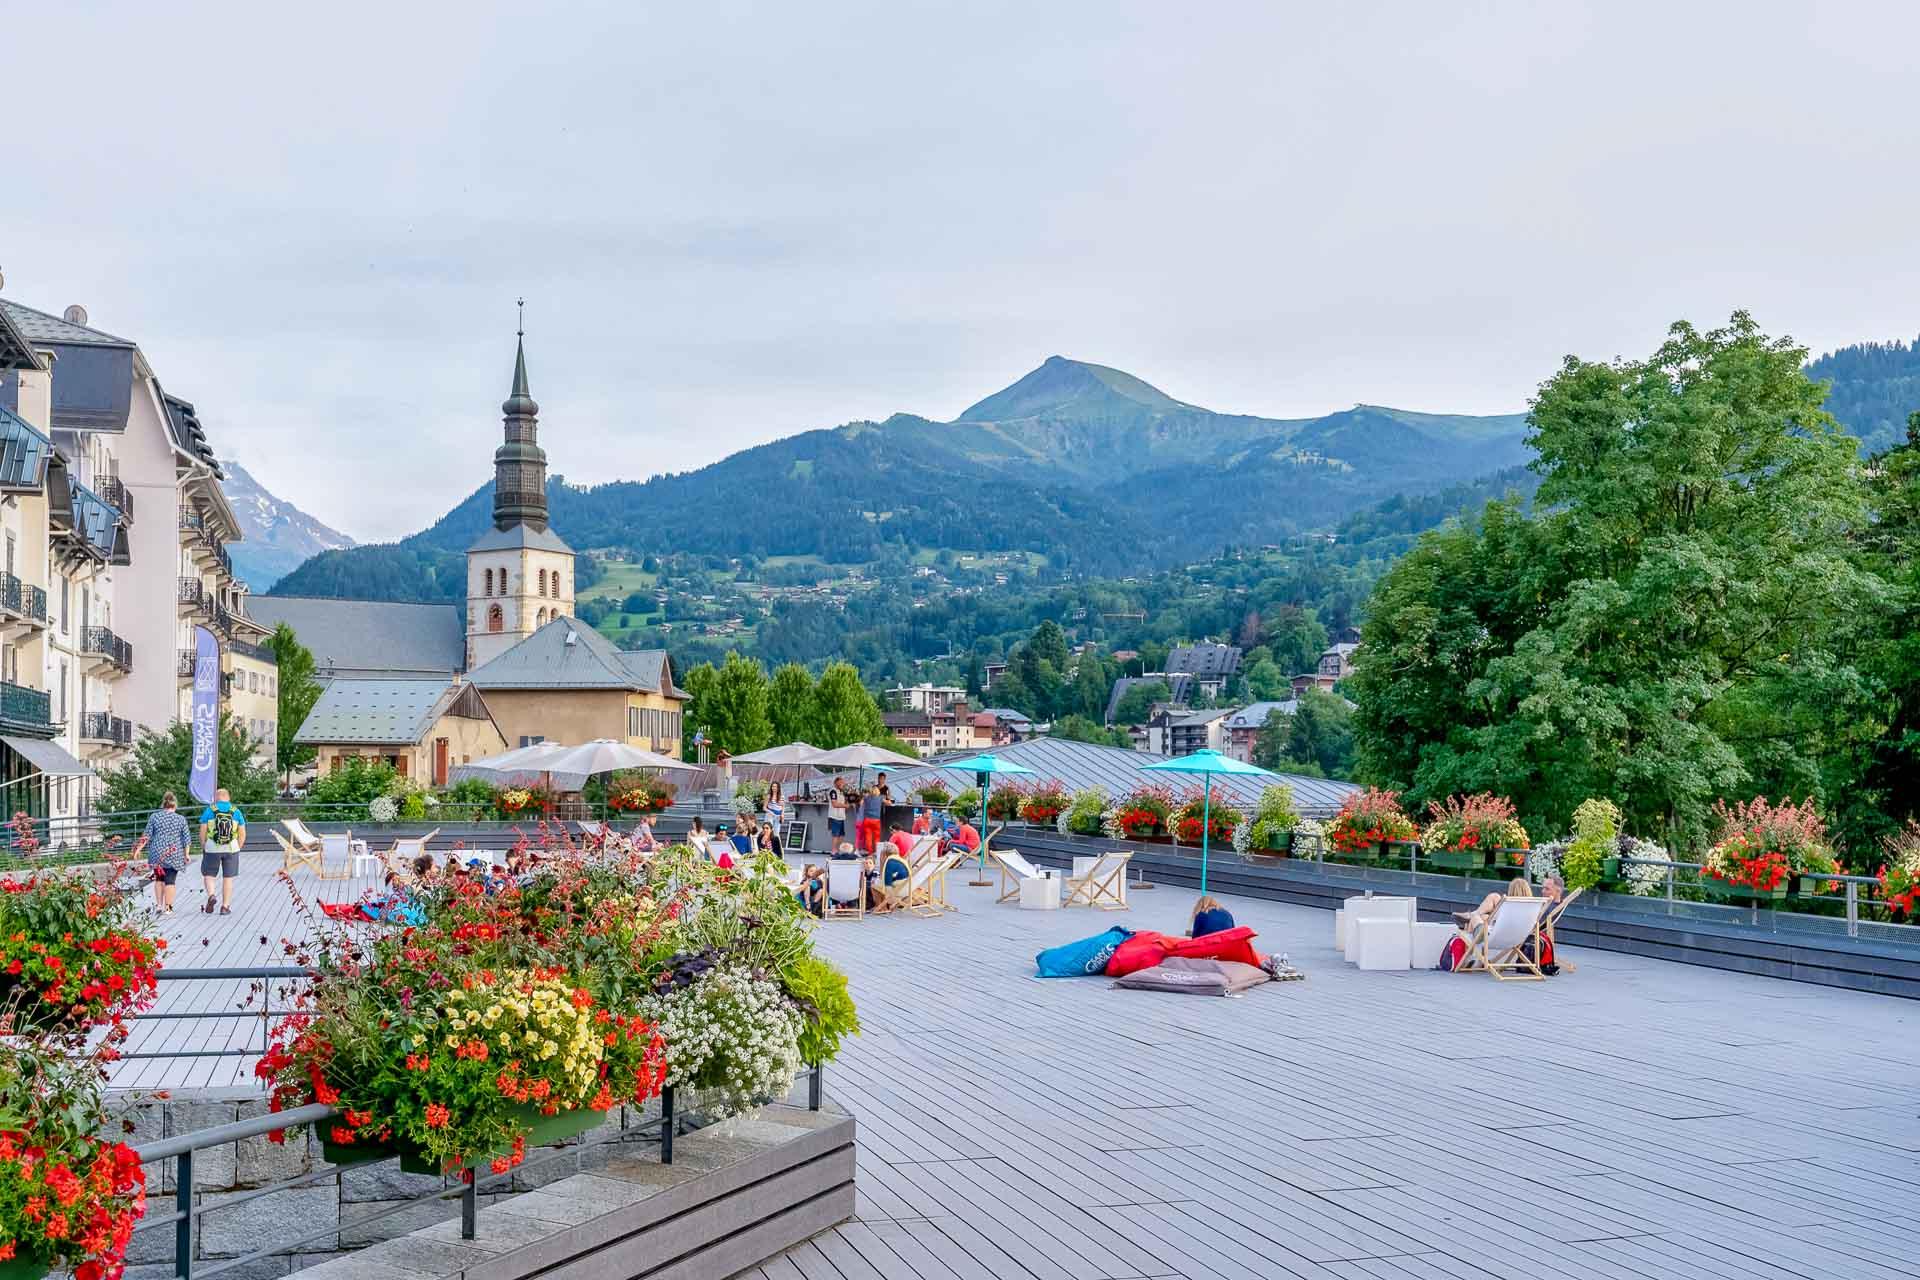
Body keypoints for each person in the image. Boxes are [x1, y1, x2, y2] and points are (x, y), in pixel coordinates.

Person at [131, 792, 190, 913]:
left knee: (159, 879)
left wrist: (138, 849)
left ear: (163, 804)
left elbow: (146, 835)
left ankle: (158, 905)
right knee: (170, 881)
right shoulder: (181, 819)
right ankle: (168, 908)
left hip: (157, 852)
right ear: (175, 805)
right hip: (174, 852)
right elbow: (186, 839)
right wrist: (186, 854)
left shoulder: (154, 817)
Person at [198, 788, 247, 915]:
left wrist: (204, 844)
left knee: (209, 875)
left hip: (212, 848)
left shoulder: (209, 810)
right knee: (228, 878)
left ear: (216, 797)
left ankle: (212, 895)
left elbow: (202, 830)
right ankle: (225, 907)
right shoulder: (236, 811)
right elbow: (242, 833)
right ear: (228, 797)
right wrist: (238, 846)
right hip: (231, 848)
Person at [856, 784, 884, 854]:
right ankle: (876, 852)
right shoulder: (880, 798)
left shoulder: (866, 798)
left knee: (868, 837)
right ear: (878, 791)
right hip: (876, 820)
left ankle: (870, 852)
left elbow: (860, 803)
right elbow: (888, 803)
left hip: (867, 820)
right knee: (877, 837)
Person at [765, 782, 785, 855]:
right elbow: (764, 807)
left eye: (775, 787)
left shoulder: (781, 796)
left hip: (778, 816)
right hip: (770, 815)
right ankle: (767, 849)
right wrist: (770, 812)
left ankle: (778, 850)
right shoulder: (769, 796)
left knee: (776, 833)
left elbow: (783, 807)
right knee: (768, 832)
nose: (774, 788)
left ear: (778, 788)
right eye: (773, 786)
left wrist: (782, 815)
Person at [826, 777, 848, 843]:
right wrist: (846, 806)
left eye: (843, 783)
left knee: (841, 834)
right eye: (841, 782)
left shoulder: (841, 792)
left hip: (841, 817)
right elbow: (834, 804)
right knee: (835, 835)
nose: (843, 784)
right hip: (834, 817)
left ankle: (840, 851)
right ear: (836, 783)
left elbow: (842, 802)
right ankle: (834, 851)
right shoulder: (833, 791)